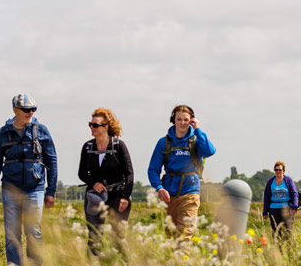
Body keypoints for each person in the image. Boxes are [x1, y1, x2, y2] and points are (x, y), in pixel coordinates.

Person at [0, 94, 58, 266]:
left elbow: (52, 161)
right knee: (12, 233)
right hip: (11, 189)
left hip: (35, 188)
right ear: (15, 110)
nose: (30, 113)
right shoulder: (2, 134)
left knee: (33, 231)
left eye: (33, 109)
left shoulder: (42, 131)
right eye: (26, 110)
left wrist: (51, 191)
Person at [147, 104, 217, 241]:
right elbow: (153, 170)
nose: (182, 123)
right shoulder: (164, 142)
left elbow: (210, 151)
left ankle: (183, 262)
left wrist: (197, 129)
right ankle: (175, 262)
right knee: (170, 236)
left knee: (185, 233)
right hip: (169, 194)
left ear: (191, 120)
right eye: (179, 119)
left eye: (186, 120)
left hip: (190, 192)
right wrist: (159, 188)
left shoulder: (197, 141)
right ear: (173, 120)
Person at [78, 108, 134, 255]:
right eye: (90, 124)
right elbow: (82, 173)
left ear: (106, 127)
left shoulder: (118, 146)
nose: (91, 128)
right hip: (95, 197)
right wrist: (94, 183)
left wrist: (125, 196)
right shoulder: (87, 147)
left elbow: (129, 173)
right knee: (94, 236)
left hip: (117, 196)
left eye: (95, 125)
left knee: (118, 237)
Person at [262, 161, 298, 240]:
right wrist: (265, 211)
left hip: (286, 208)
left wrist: (295, 206)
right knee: (276, 231)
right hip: (274, 209)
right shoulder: (270, 182)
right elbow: (266, 197)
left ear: (283, 171)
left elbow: (294, 193)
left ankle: (287, 250)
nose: (278, 171)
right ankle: (277, 250)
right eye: (276, 170)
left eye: (280, 170)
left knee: (287, 231)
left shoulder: (288, 180)